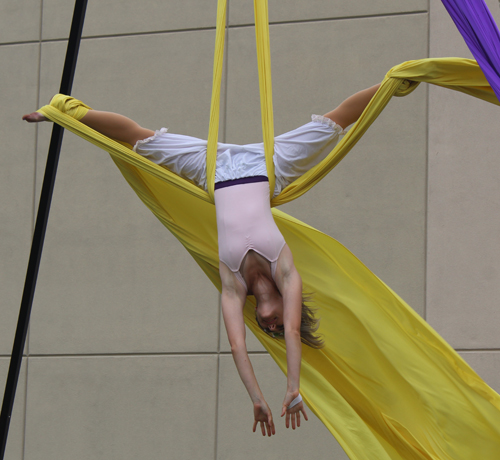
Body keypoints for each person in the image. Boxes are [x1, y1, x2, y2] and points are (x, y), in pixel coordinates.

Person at [23, 83, 380, 436]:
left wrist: (256, 399)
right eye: (275, 328)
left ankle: (64, 114)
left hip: (213, 171)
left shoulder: (232, 285)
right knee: (335, 122)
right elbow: (291, 332)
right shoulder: (286, 273)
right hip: (270, 166)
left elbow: (238, 345)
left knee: (137, 139)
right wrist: (293, 387)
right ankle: (398, 79)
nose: (270, 327)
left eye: (264, 328)